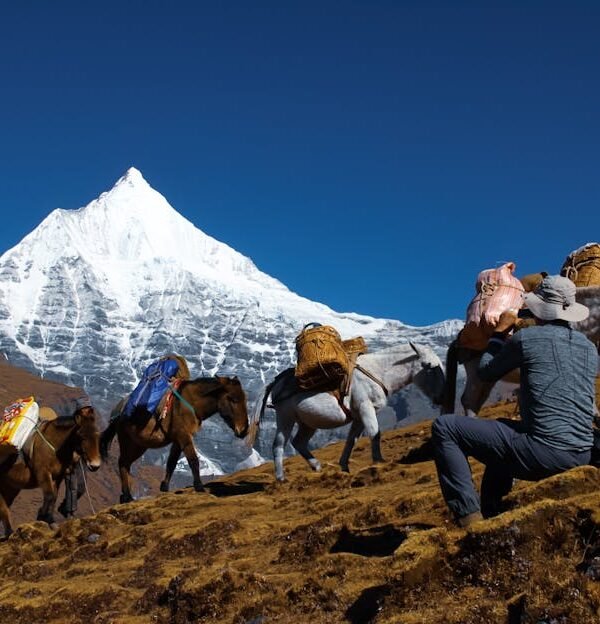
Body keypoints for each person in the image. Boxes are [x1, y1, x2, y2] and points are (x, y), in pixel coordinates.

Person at [431, 275, 597, 528]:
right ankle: (492, 510)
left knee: (445, 427)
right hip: (583, 453)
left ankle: (469, 521)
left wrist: (498, 334)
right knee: (502, 429)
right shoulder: (588, 347)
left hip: (542, 454)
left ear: (538, 309)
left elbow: (486, 372)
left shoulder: (527, 339)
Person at [56, 395, 94, 518]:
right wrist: (72, 453)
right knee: (72, 486)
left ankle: (64, 507)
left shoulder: (89, 424)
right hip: (69, 459)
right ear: (80, 411)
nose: (88, 411)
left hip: (81, 459)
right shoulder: (72, 425)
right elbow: (64, 442)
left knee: (81, 488)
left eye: (89, 408)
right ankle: (70, 513)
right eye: (86, 408)